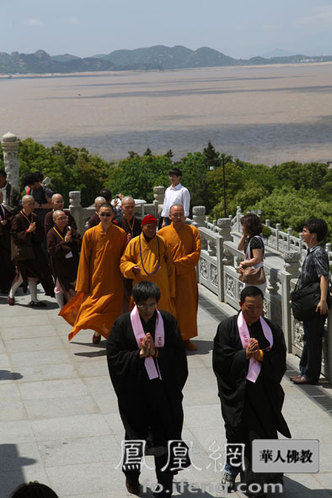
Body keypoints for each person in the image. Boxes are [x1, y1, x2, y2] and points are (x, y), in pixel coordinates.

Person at [107, 281, 189, 497]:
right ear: (135, 302)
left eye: (152, 305)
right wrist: (139, 355)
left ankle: (165, 485)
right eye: (142, 305)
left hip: (163, 393)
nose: (147, 310)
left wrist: (159, 354)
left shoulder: (168, 322)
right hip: (136, 394)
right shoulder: (122, 324)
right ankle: (132, 476)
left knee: (166, 436)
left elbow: (179, 357)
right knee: (135, 439)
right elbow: (115, 359)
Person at [213, 286, 291, 496]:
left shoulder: (271, 330)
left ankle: (266, 479)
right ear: (240, 305)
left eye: (259, 307)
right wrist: (243, 356)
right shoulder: (227, 328)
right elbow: (220, 361)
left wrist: (261, 357)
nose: (255, 312)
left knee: (264, 433)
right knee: (235, 433)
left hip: (263, 393)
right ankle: (231, 469)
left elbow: (279, 363)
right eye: (250, 308)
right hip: (236, 393)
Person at [60, 203, 127, 343]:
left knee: (111, 310)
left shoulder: (120, 234)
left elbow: (124, 258)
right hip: (96, 278)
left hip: (114, 279)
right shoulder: (90, 234)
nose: (105, 217)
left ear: (113, 215)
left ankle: (105, 333)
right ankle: (97, 330)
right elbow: (84, 258)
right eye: (102, 214)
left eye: (108, 214)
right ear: (97, 214)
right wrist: (84, 282)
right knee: (92, 308)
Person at [290, 218, 329, 385]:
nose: (302, 234)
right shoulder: (312, 251)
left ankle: (310, 375)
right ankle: (304, 371)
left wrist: (323, 300)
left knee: (313, 339)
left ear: (313, 235)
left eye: (305, 231)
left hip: (315, 303)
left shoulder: (319, 252)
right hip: (308, 301)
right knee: (308, 337)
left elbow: (323, 276)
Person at [159, 204, 201, 351]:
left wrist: (177, 264)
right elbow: (159, 254)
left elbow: (196, 255)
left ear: (185, 215)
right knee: (169, 306)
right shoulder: (162, 233)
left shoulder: (192, 231)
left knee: (187, 307)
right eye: (175, 215)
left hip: (186, 276)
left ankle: (186, 338)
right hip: (168, 277)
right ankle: (170, 338)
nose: (178, 217)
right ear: (169, 216)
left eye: (180, 214)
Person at [120, 214, 176, 315]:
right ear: (142, 227)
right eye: (148, 227)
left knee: (162, 314)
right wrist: (131, 267)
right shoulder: (134, 242)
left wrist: (171, 289)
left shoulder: (162, 241)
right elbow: (124, 262)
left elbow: (170, 265)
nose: (151, 230)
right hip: (141, 285)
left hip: (161, 286)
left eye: (154, 227)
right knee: (142, 314)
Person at [9, 195, 55, 306]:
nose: (32, 206)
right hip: (23, 252)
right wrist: (28, 231)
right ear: (23, 204)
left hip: (35, 251)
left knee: (34, 275)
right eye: (29, 204)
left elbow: (40, 233)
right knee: (22, 276)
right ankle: (11, 294)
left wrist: (34, 232)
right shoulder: (17, 218)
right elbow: (14, 235)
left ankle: (34, 300)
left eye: (33, 203)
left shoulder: (35, 217)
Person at [47, 210, 81, 309]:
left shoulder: (70, 229)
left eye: (65, 218)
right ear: (54, 220)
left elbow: (79, 242)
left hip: (72, 263)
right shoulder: (51, 233)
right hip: (59, 264)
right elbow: (51, 250)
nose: (63, 220)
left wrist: (71, 242)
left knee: (75, 285)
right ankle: (62, 308)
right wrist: (64, 242)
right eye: (60, 218)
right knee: (59, 287)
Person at [117, 196, 142, 312]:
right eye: (127, 207)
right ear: (121, 207)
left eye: (132, 207)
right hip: (122, 261)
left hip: (138, 261)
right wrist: (124, 243)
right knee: (124, 292)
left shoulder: (140, 223)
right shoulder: (116, 223)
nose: (130, 210)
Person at [238, 212, 266, 293]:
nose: (242, 228)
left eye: (243, 225)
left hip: (254, 274)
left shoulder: (255, 240)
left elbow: (257, 259)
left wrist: (243, 263)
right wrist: (244, 235)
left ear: (248, 226)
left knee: (253, 301)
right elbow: (239, 247)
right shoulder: (250, 238)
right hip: (250, 274)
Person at [0, 190, 15, 292]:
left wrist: (7, 221)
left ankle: (6, 286)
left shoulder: (3, 207)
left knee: (6, 264)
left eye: (1, 196)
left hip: (4, 241)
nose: (1, 198)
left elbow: (10, 217)